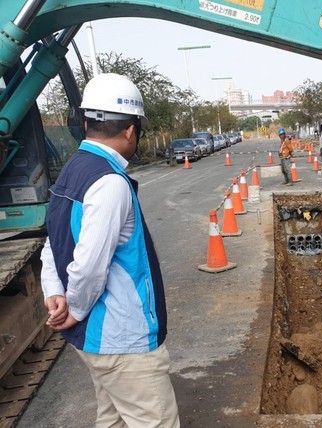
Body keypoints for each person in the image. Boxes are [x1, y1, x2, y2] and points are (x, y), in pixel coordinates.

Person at [40, 73, 180, 427]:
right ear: (131, 130)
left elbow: (52, 241)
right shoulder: (109, 182)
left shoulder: (73, 170)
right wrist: (75, 307)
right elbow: (89, 267)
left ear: (86, 122)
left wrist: (55, 290)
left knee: (113, 419)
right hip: (123, 339)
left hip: (99, 345)